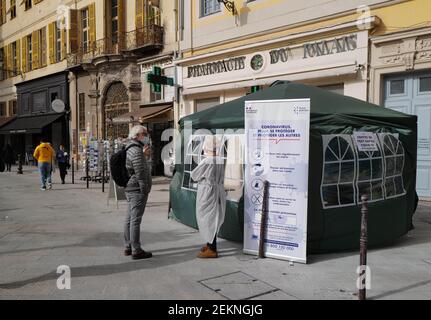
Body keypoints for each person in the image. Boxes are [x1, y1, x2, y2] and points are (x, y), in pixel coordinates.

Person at [191, 135, 226, 259]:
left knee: (207, 219)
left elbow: (194, 175)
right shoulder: (220, 159)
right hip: (217, 191)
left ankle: (212, 248)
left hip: (207, 191)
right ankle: (210, 244)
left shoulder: (207, 160)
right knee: (213, 217)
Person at [124, 125, 153, 260]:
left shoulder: (132, 148)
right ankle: (136, 249)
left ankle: (128, 246)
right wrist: (144, 188)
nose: (146, 136)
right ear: (137, 135)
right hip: (136, 188)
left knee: (130, 218)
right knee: (135, 220)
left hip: (131, 187)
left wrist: (144, 155)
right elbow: (140, 172)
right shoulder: (135, 150)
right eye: (144, 133)